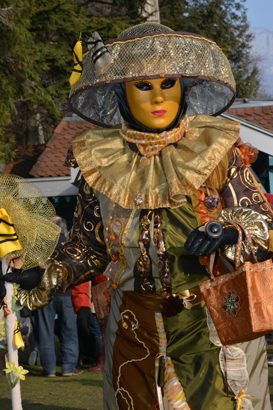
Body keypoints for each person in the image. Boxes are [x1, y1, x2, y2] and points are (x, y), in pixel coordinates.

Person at [4, 22, 273, 409]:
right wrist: (47, 272)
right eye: (144, 86)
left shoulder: (217, 151)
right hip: (133, 327)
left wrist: (228, 231)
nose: (158, 97)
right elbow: (88, 246)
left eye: (168, 84)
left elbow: (262, 221)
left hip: (209, 321)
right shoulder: (101, 164)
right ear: (122, 93)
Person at [34, 216, 82, 377]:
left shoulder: (40, 245)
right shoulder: (69, 244)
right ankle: (68, 368)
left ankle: (49, 370)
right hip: (65, 293)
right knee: (69, 331)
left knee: (45, 332)